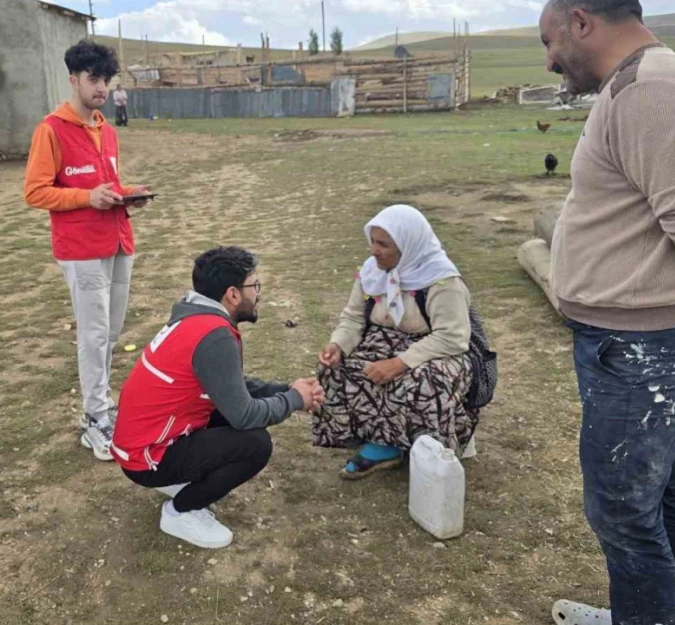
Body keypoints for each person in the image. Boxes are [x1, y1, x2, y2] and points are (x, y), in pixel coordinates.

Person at [539, 1, 675, 623]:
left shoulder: (647, 90)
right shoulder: (654, 79)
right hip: (645, 346)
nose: (548, 59)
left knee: (623, 511)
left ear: (581, 21)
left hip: (642, 351)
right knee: (653, 497)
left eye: (549, 41)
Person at [112, 247, 324, 549]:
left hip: (145, 442)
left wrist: (285, 390)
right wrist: (293, 401)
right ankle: (180, 511)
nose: (259, 293)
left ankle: (180, 478)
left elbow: (229, 386)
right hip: (146, 458)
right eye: (255, 285)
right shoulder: (215, 335)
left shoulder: (195, 316)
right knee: (255, 444)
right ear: (233, 295)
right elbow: (244, 415)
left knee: (232, 416)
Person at [24, 40, 150, 461]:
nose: (101, 88)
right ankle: (96, 416)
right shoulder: (51, 130)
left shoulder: (107, 130)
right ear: (73, 79)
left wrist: (130, 194)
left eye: (106, 80)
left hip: (117, 240)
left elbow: (107, 185)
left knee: (110, 332)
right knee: (94, 334)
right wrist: (84, 199)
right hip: (81, 249)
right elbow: (36, 191)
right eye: (93, 79)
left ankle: (103, 405)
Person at [313, 205, 479, 479]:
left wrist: (401, 363)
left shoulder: (441, 281)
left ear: (408, 246)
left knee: (424, 382)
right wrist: (338, 345)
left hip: (438, 352)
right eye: (373, 242)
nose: (374, 250)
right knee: (336, 368)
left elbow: (453, 336)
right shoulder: (371, 272)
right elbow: (354, 317)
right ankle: (372, 436)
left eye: (384, 244)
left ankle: (417, 449)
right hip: (384, 342)